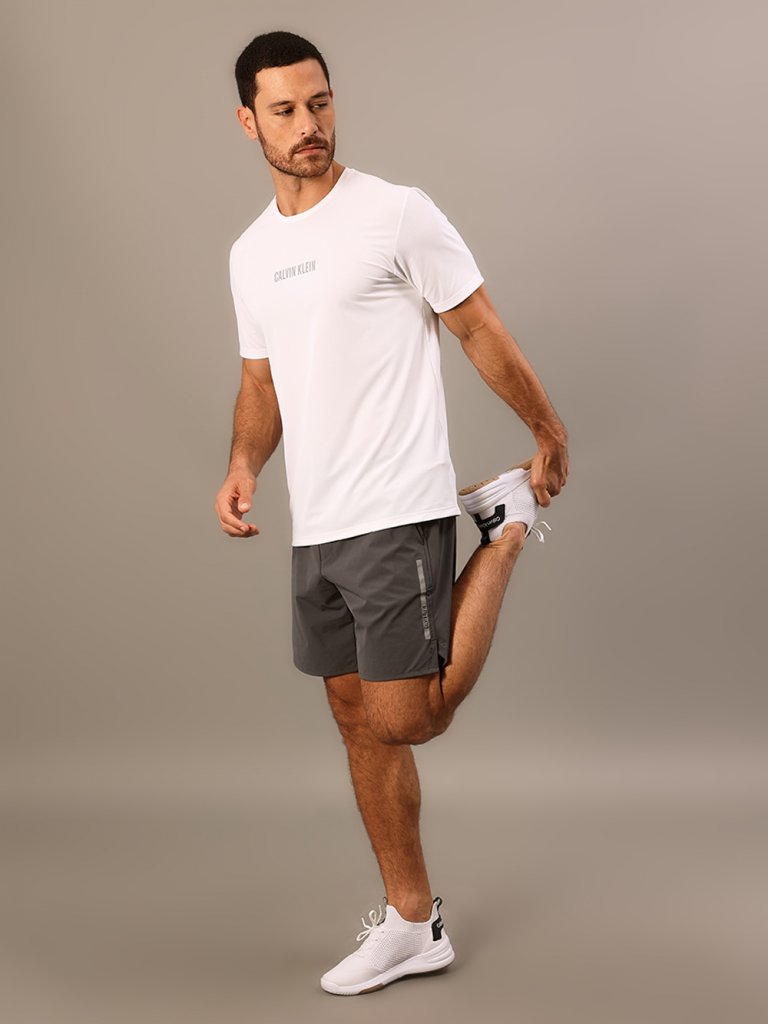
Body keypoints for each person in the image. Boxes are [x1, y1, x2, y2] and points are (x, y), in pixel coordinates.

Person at [214, 29, 570, 996]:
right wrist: (244, 462)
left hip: (396, 504)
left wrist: (545, 430)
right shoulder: (251, 254)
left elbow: (478, 327)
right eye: (285, 110)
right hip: (317, 520)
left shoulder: (394, 214)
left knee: (405, 718)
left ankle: (504, 526)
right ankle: (414, 923)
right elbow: (261, 380)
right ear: (248, 122)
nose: (309, 124)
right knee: (353, 717)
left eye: (320, 103)